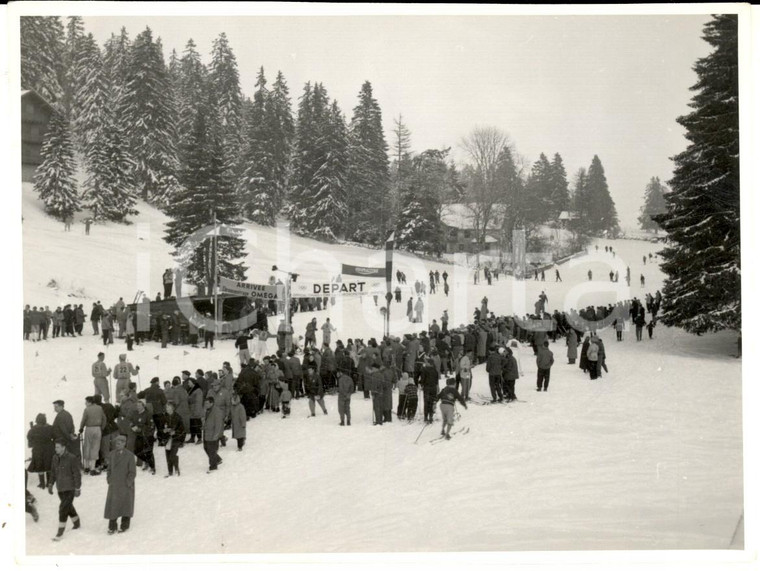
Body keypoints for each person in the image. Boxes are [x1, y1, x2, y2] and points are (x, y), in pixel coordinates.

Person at [48, 439, 82, 541]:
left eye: (57, 447)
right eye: (55, 447)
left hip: (70, 488)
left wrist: (77, 488)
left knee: (63, 508)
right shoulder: (55, 458)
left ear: (63, 447)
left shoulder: (71, 458)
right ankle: (77, 522)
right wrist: (50, 484)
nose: (55, 449)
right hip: (60, 488)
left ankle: (60, 532)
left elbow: (77, 474)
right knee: (68, 506)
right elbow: (53, 472)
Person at [104, 434, 136, 534]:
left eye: (119, 443)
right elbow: (109, 469)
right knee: (113, 505)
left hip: (125, 485)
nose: (117, 445)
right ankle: (112, 526)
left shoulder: (130, 456)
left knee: (126, 505)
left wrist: (128, 482)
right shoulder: (112, 454)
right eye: (116, 443)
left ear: (124, 444)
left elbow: (132, 472)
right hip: (114, 485)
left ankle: (124, 525)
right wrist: (109, 479)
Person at [79, 396, 106, 475]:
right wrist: (102, 428)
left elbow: (83, 420)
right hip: (98, 429)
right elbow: (104, 419)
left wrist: (81, 428)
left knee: (87, 446)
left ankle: (86, 467)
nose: (85, 404)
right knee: (95, 447)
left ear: (90, 402)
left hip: (89, 429)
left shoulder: (87, 410)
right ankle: (92, 468)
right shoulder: (99, 408)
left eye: (86, 402)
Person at [27, 413, 55, 490]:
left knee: (40, 466)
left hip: (38, 449)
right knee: (48, 465)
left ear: (37, 420)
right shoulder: (50, 428)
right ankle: (49, 483)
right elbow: (54, 437)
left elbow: (29, 439)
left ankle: (42, 484)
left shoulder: (33, 429)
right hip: (49, 449)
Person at [163, 401, 185, 476]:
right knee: (168, 455)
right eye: (166, 407)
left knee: (172, 455)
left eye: (169, 407)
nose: (167, 409)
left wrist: (175, 432)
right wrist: (164, 430)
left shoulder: (178, 417)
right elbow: (161, 427)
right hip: (167, 439)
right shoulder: (164, 416)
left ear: (173, 408)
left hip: (176, 439)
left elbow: (182, 429)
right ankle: (170, 472)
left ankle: (176, 469)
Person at [203, 396, 224, 472]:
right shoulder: (207, 410)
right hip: (206, 433)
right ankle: (217, 459)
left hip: (213, 434)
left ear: (212, 403)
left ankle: (213, 467)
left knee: (211, 450)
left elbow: (218, 424)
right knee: (206, 448)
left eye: (207, 403)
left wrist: (216, 435)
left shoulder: (217, 411)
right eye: (205, 403)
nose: (206, 405)